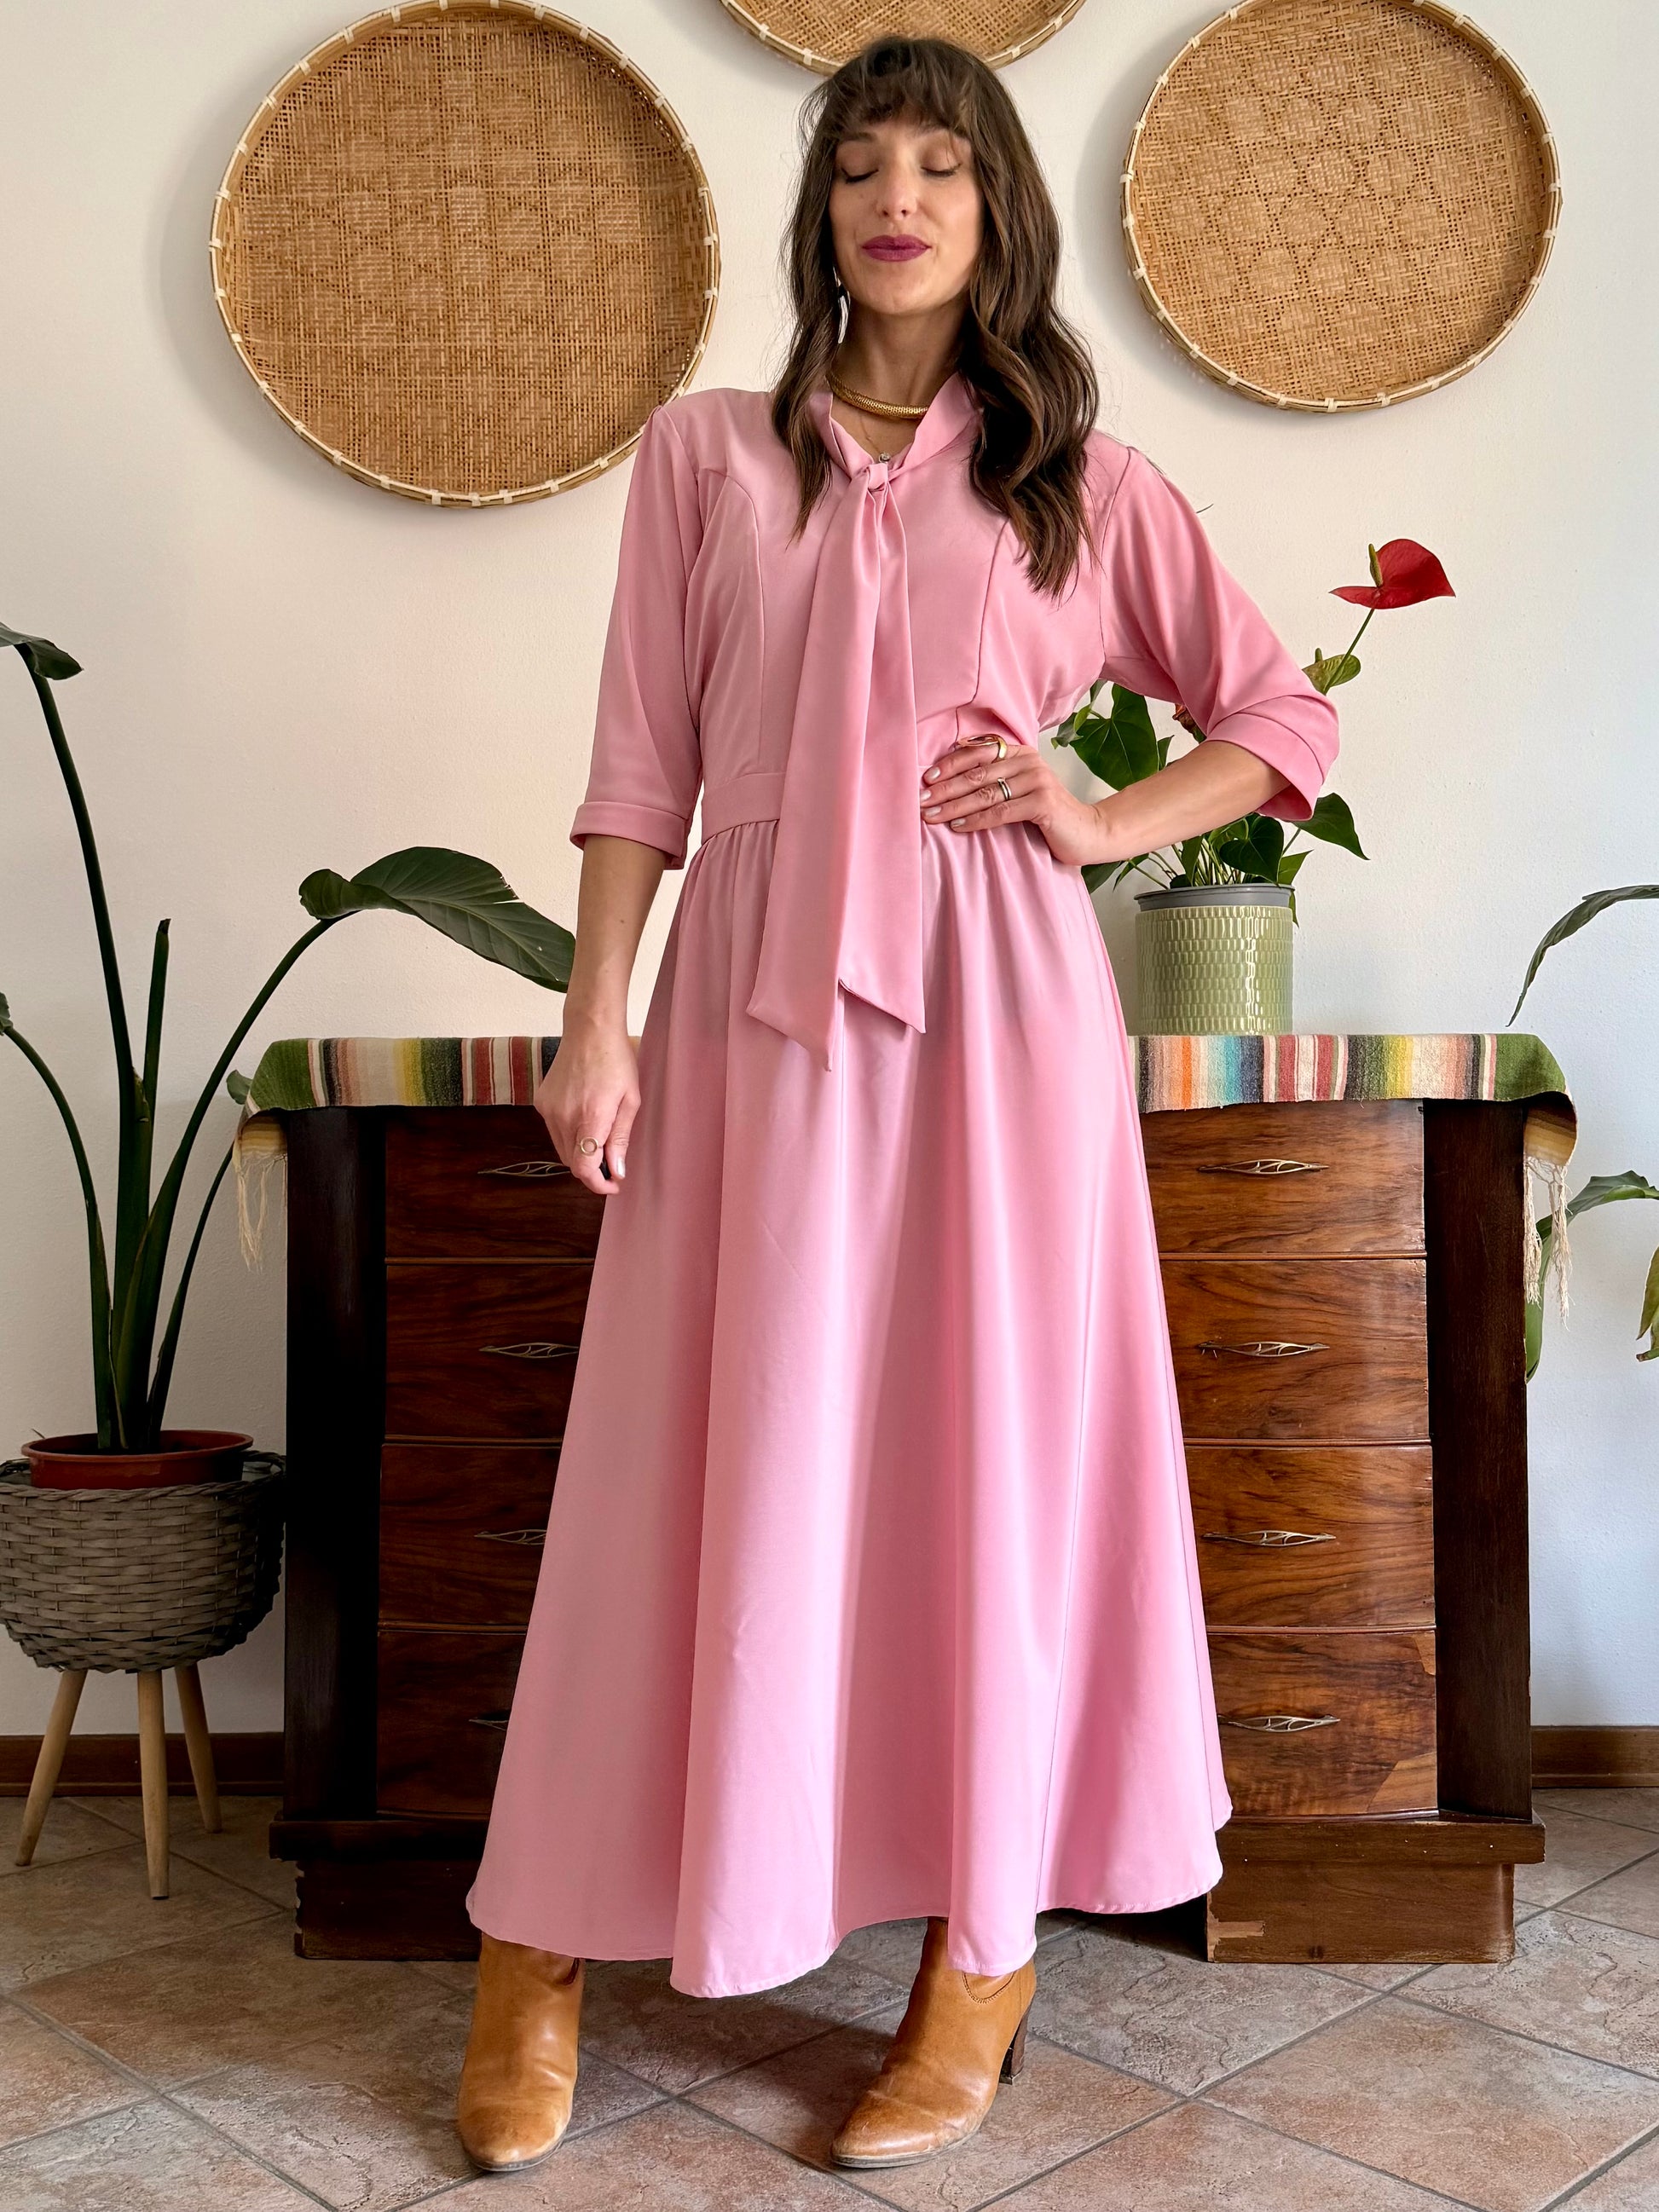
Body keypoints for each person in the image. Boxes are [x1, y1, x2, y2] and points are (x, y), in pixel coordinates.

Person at [454, 34, 1338, 2178]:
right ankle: (536, 1940)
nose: (897, 195)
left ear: (993, 206)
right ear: (824, 209)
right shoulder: (703, 455)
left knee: (983, 1461)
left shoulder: (1080, 482)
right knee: (683, 1456)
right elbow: (638, 772)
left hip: (998, 1022)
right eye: (861, 162)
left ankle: (978, 1953)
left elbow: (1276, 713)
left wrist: (1100, 811)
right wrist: (595, 1022)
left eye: (940, 161)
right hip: (748, 1017)